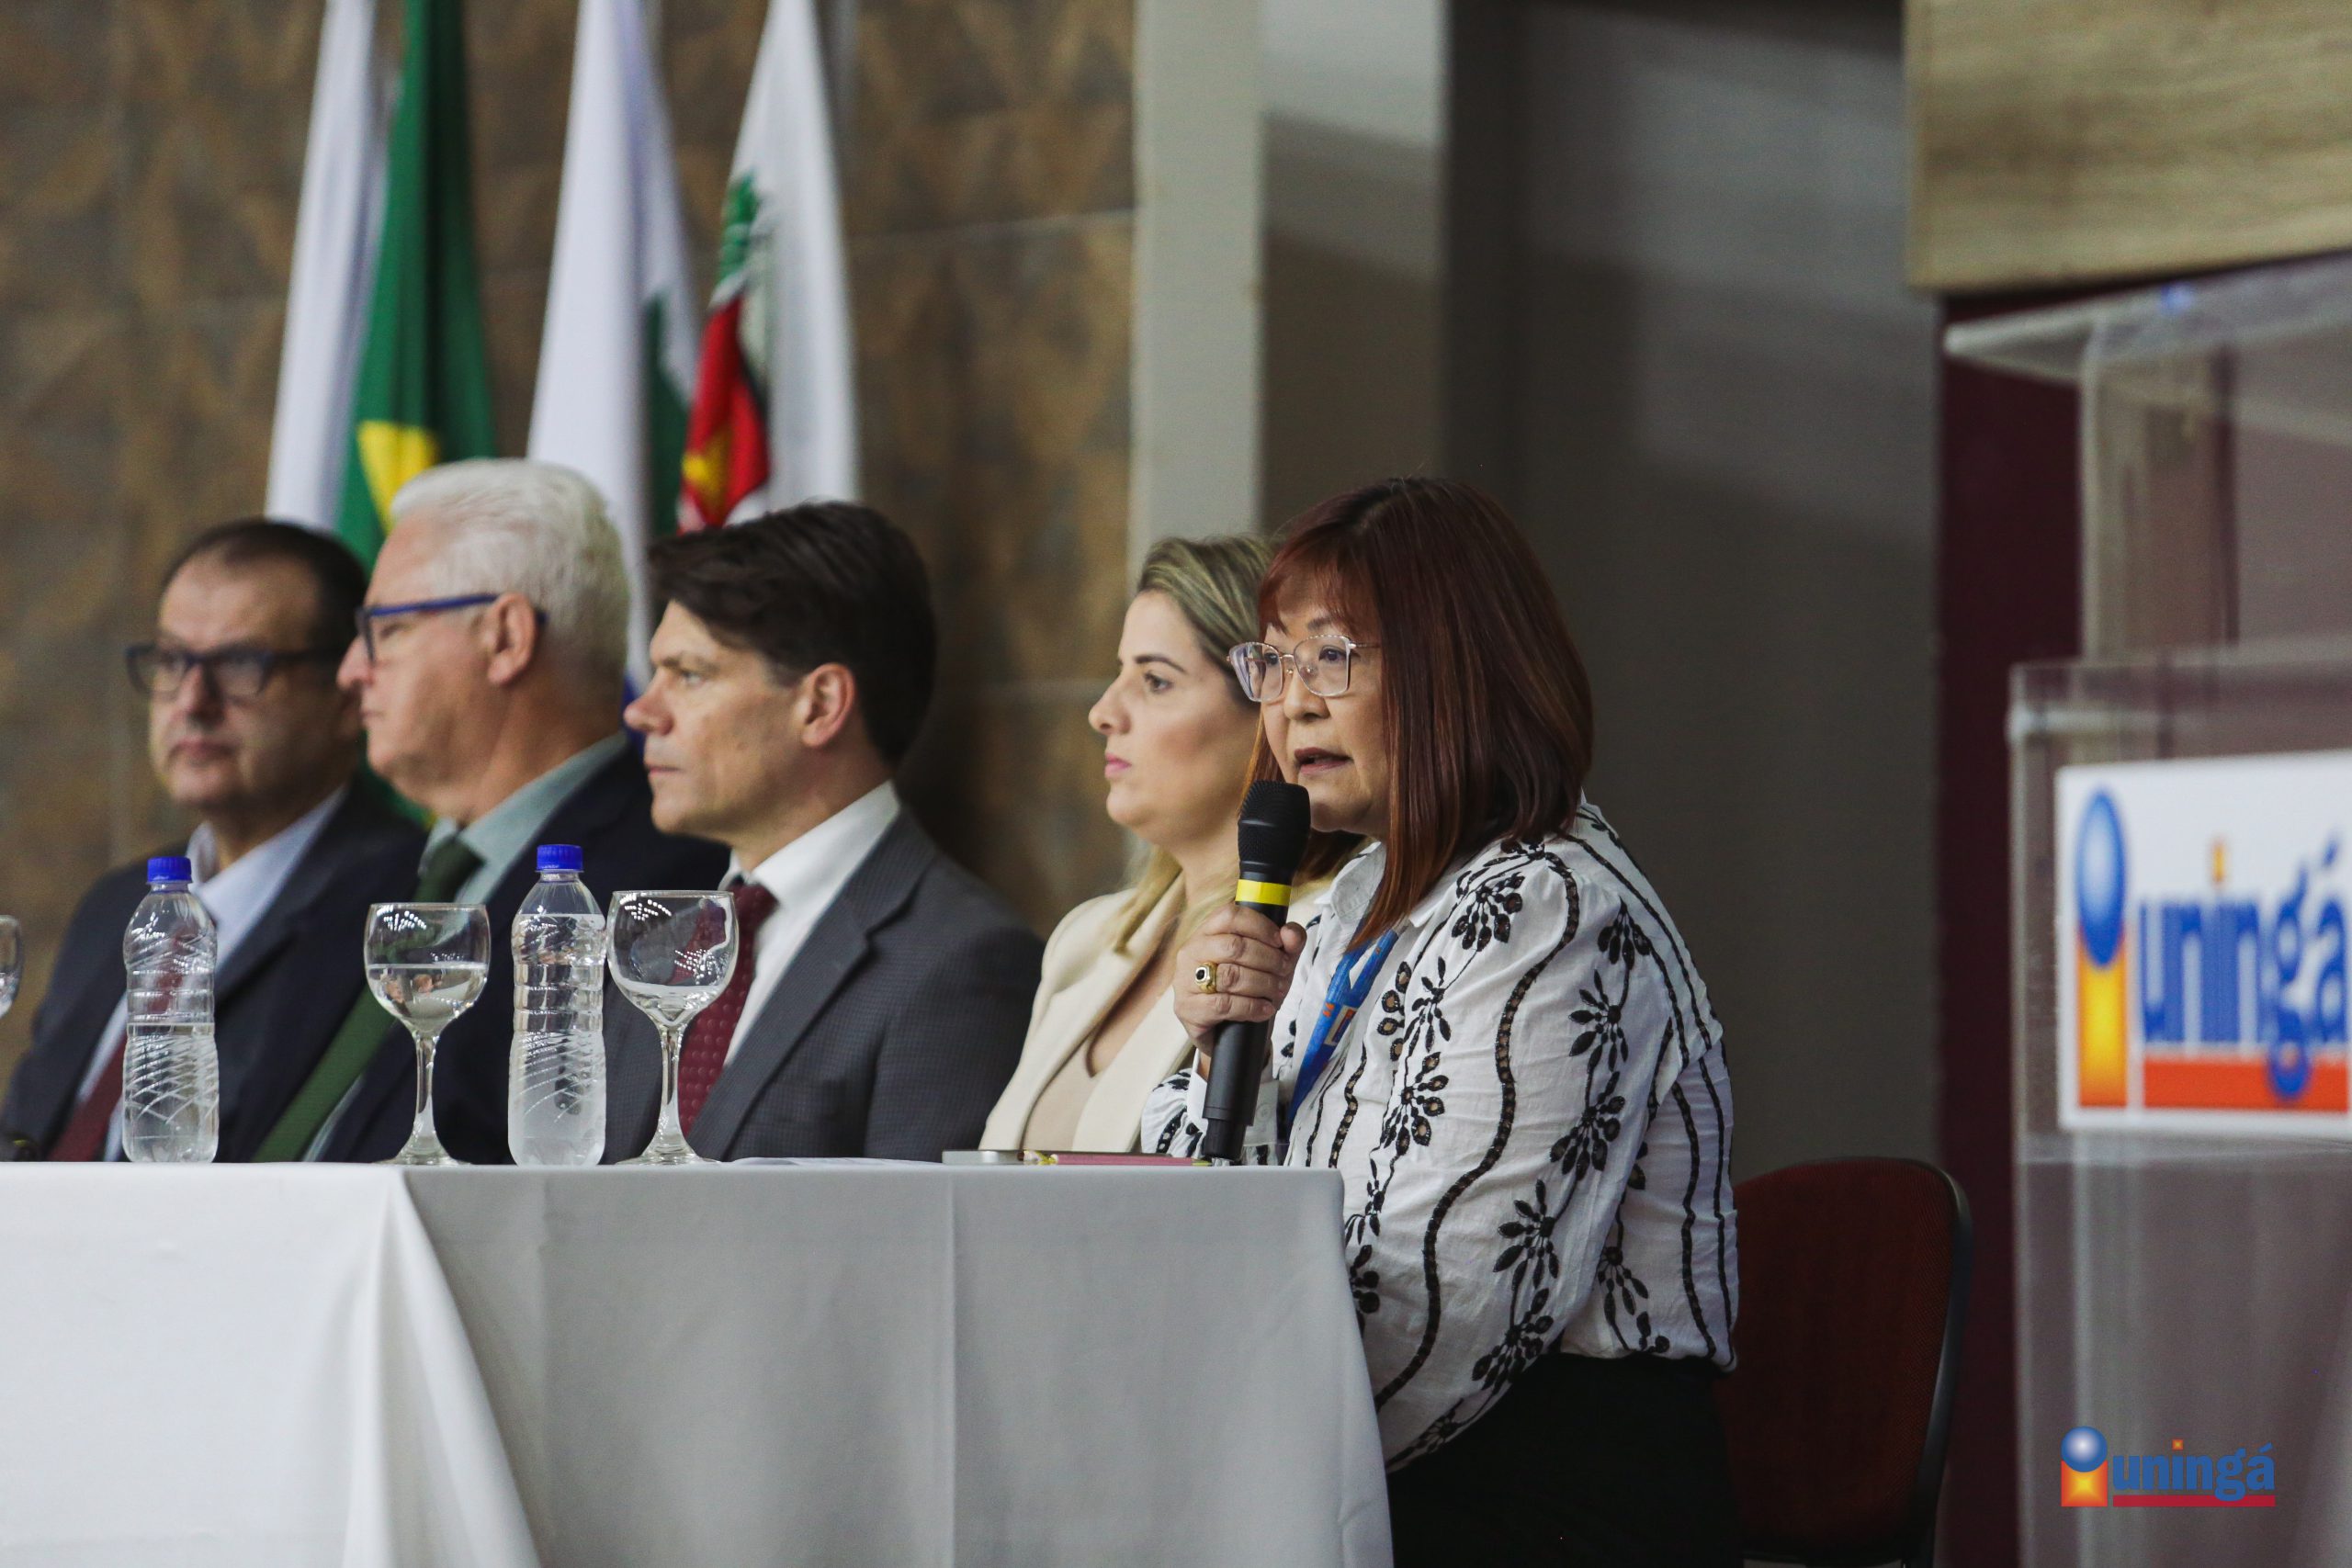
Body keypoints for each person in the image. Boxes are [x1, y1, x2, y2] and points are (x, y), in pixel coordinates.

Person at [1147, 478, 1740, 1566]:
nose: (1292, 704)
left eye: (1334, 656)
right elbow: (1193, 1227)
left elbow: (1445, 1318)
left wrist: (1189, 1479)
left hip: (1539, 1497)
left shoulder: (1551, 912)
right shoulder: (1347, 906)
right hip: (1356, 1466)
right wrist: (1212, 1051)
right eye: (1275, 661)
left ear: (1460, 669)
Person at [258, 460, 727, 1165]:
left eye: (388, 628)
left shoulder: (663, 893)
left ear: (505, 637)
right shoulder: (361, 881)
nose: (352, 669)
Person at [611, 501, 1040, 1160]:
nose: (642, 711)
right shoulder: (659, 942)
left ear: (820, 705)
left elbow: (923, 1226)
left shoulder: (963, 961)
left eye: (690, 675)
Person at [1, 520, 419, 1162]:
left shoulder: (399, 910)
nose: (193, 701)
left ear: (345, 694)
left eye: (241, 663)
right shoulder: (117, 904)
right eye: (173, 661)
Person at [980, 536, 1343, 1152]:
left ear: (1268, 705)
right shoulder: (1087, 939)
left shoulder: (1320, 938)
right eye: (1119, 673)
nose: (1102, 712)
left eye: (1155, 680)